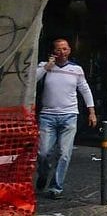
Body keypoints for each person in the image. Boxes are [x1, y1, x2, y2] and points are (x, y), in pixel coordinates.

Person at [35, 38, 97, 199]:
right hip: (47, 116)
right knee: (43, 153)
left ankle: (56, 187)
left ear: (69, 50)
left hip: (69, 116)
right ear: (53, 51)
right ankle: (43, 175)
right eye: (58, 49)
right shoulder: (44, 66)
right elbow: (32, 80)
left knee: (64, 153)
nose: (61, 52)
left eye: (64, 49)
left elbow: (85, 90)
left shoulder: (76, 69)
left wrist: (91, 111)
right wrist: (47, 67)